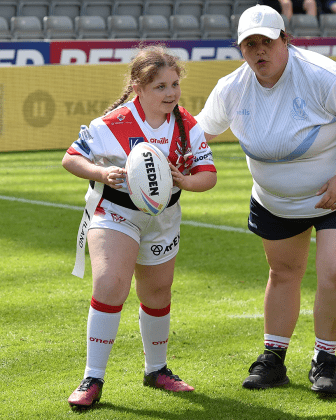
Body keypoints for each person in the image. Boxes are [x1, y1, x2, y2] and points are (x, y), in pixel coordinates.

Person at [195, 4, 336, 395]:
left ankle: (324, 360)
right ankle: (273, 360)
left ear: (285, 39)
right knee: (283, 273)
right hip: (275, 199)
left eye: (267, 41)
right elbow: (199, 134)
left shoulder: (323, 76)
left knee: (335, 271)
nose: (259, 50)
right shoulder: (232, 87)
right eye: (250, 44)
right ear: (240, 49)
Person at [62, 44, 217, 409]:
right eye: (160, 86)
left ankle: (156, 370)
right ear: (138, 87)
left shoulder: (187, 125)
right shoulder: (112, 124)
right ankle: (92, 377)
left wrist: (184, 180)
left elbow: (208, 175)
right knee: (110, 283)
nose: (171, 93)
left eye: (174, 84)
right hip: (115, 212)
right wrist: (101, 173)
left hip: (163, 218)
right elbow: (71, 158)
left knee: (157, 293)